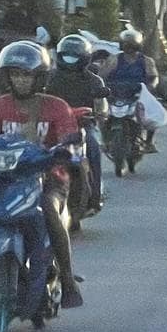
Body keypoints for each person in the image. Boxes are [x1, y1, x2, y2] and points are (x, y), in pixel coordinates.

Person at [0, 41, 83, 308]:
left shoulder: (57, 107)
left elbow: (70, 142)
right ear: (7, 77)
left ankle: (68, 282)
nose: (21, 80)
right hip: (5, 179)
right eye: (16, 74)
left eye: (27, 75)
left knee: (47, 209)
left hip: (49, 179)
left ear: (40, 77)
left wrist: (65, 151)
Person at [46, 34, 107, 212]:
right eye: (66, 56)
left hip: (83, 126)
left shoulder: (95, 80)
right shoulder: (49, 78)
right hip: (52, 127)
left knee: (93, 146)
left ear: (85, 58)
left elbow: (101, 106)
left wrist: (99, 113)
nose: (70, 61)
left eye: (74, 57)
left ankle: (94, 194)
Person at [100, 29, 160, 153]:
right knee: (102, 114)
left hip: (138, 93)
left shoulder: (146, 61)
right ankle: (105, 140)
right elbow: (102, 75)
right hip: (115, 93)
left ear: (138, 45)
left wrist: (150, 87)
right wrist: (101, 86)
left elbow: (154, 77)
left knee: (152, 114)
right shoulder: (114, 59)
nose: (129, 48)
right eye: (126, 45)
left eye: (132, 45)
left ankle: (149, 142)